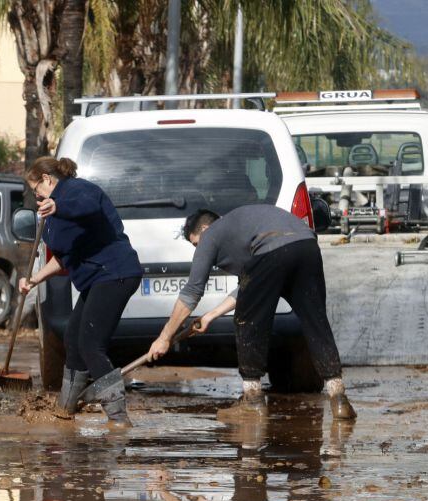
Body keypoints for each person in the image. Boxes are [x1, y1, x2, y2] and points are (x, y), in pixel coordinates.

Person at [147, 205, 356, 420]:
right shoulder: (242, 228)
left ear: (205, 228)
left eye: (196, 244)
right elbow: (248, 288)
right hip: (307, 246)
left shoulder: (211, 234)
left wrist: (164, 338)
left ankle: (253, 400)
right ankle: (338, 398)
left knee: (248, 321)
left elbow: (192, 291)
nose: (199, 250)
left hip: (273, 251)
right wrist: (210, 315)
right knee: (316, 322)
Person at [17, 157, 143, 428]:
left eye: (35, 188)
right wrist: (34, 278)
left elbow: (88, 207)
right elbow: (63, 257)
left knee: (90, 343)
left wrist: (58, 205)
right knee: (73, 339)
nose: (35, 195)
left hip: (115, 273)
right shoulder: (51, 213)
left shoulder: (77, 191)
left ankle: (119, 418)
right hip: (96, 279)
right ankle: (65, 407)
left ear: (47, 180)